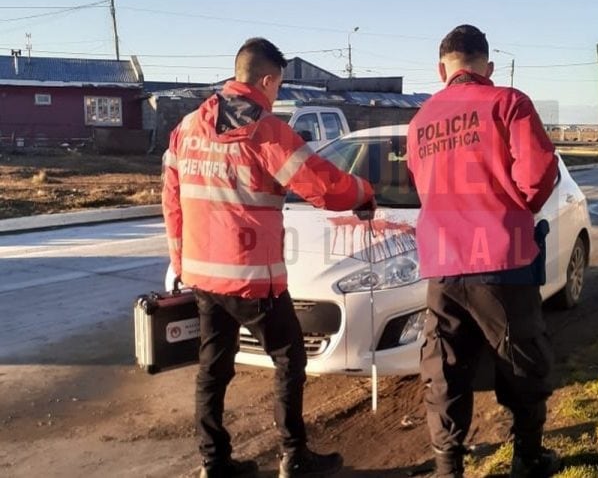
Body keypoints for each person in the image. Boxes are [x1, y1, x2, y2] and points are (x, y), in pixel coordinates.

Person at [162, 37, 376, 478]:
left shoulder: (187, 126)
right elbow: (321, 186)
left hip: (204, 276)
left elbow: (172, 199)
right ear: (266, 79)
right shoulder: (265, 130)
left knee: (212, 368)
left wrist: (181, 262)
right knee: (289, 359)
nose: (276, 94)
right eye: (277, 86)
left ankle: (214, 461)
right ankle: (294, 457)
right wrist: (363, 192)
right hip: (254, 279)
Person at [406, 25, 560, 478]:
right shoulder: (508, 103)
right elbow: (538, 173)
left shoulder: (422, 120)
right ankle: (528, 459)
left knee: (444, 368)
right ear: (487, 67)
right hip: (502, 258)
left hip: (443, 263)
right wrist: (515, 209)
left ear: (442, 70)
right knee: (522, 360)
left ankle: (448, 467)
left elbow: (424, 186)